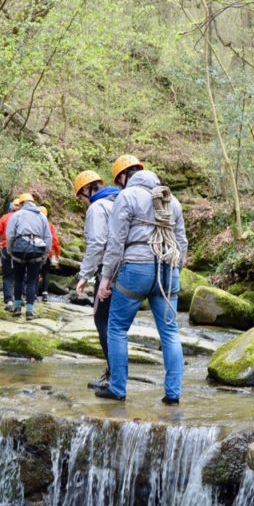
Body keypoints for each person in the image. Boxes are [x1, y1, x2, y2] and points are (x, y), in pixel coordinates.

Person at [97, 154, 187, 405]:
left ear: (124, 177)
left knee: (117, 328)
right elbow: (182, 243)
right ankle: (173, 393)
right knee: (170, 332)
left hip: (135, 268)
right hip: (168, 268)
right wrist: (176, 268)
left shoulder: (127, 196)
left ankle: (117, 388)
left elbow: (116, 241)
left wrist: (106, 277)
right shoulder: (172, 200)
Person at [74, 169, 120, 390]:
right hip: (129, 269)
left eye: (81, 198)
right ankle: (115, 375)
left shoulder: (97, 207)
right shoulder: (119, 202)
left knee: (102, 321)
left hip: (108, 272)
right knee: (116, 325)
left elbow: (96, 244)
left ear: (86, 190)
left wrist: (84, 276)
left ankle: (114, 376)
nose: (83, 202)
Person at [4, 198, 52, 320]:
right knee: (31, 281)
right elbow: (48, 238)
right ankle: (30, 311)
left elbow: (10, 234)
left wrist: (10, 250)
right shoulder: (42, 216)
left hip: (18, 250)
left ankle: (17, 308)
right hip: (36, 251)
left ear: (22, 205)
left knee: (18, 279)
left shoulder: (17, 215)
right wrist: (45, 256)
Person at [0, 194, 30, 311]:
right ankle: (21, 297)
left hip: (6, 248)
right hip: (22, 248)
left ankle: (9, 300)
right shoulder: (26, 218)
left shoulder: (5, 217)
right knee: (21, 274)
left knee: (8, 275)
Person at [37, 205, 61, 303]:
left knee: (35, 272)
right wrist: (57, 253)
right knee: (45, 273)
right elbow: (54, 240)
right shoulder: (50, 225)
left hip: (36, 250)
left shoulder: (35, 224)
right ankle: (45, 293)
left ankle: (33, 294)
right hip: (48, 252)